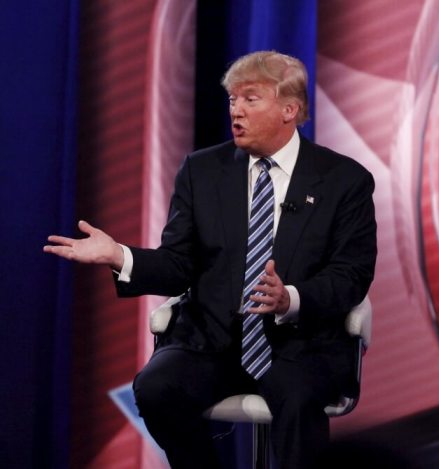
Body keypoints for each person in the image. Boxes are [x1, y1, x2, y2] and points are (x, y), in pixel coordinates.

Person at [44, 50, 377, 469]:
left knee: (298, 398)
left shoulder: (344, 180)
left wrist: (290, 298)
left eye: (250, 99)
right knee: (156, 387)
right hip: (213, 341)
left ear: (290, 109)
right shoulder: (202, 171)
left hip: (302, 344)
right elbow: (178, 264)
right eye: (232, 99)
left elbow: (352, 274)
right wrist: (119, 255)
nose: (235, 110)